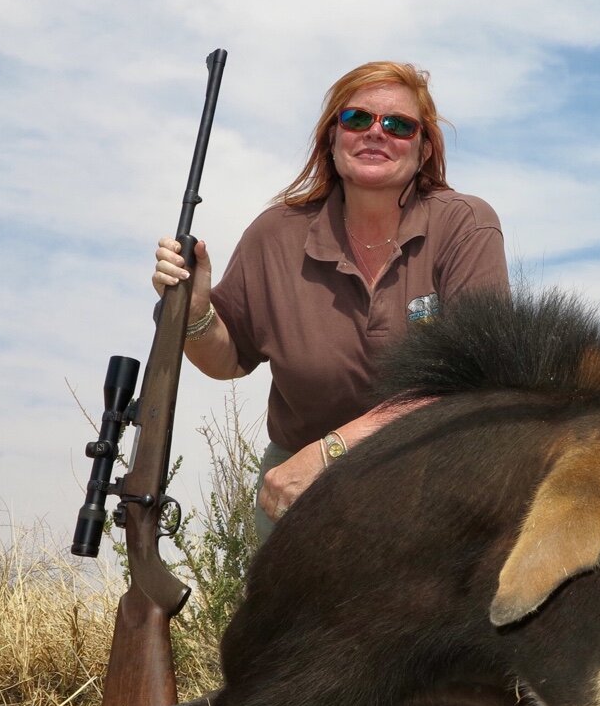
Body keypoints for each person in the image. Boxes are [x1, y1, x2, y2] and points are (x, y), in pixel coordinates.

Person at [152, 61, 508, 542]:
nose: (376, 133)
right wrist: (195, 313)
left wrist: (331, 451)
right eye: (357, 119)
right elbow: (228, 358)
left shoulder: (466, 225)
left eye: (399, 125)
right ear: (331, 138)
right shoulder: (274, 234)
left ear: (424, 150)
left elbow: (475, 380)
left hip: (432, 477)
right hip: (296, 488)